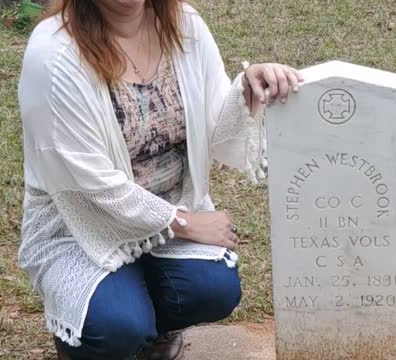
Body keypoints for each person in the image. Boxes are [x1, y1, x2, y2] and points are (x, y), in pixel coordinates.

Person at [17, 0, 303, 359]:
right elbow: (90, 188)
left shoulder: (183, 24)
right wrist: (183, 222)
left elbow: (214, 122)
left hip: (168, 212)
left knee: (213, 290)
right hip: (80, 228)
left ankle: (153, 329)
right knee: (116, 325)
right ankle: (91, 340)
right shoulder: (54, 55)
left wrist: (248, 86)